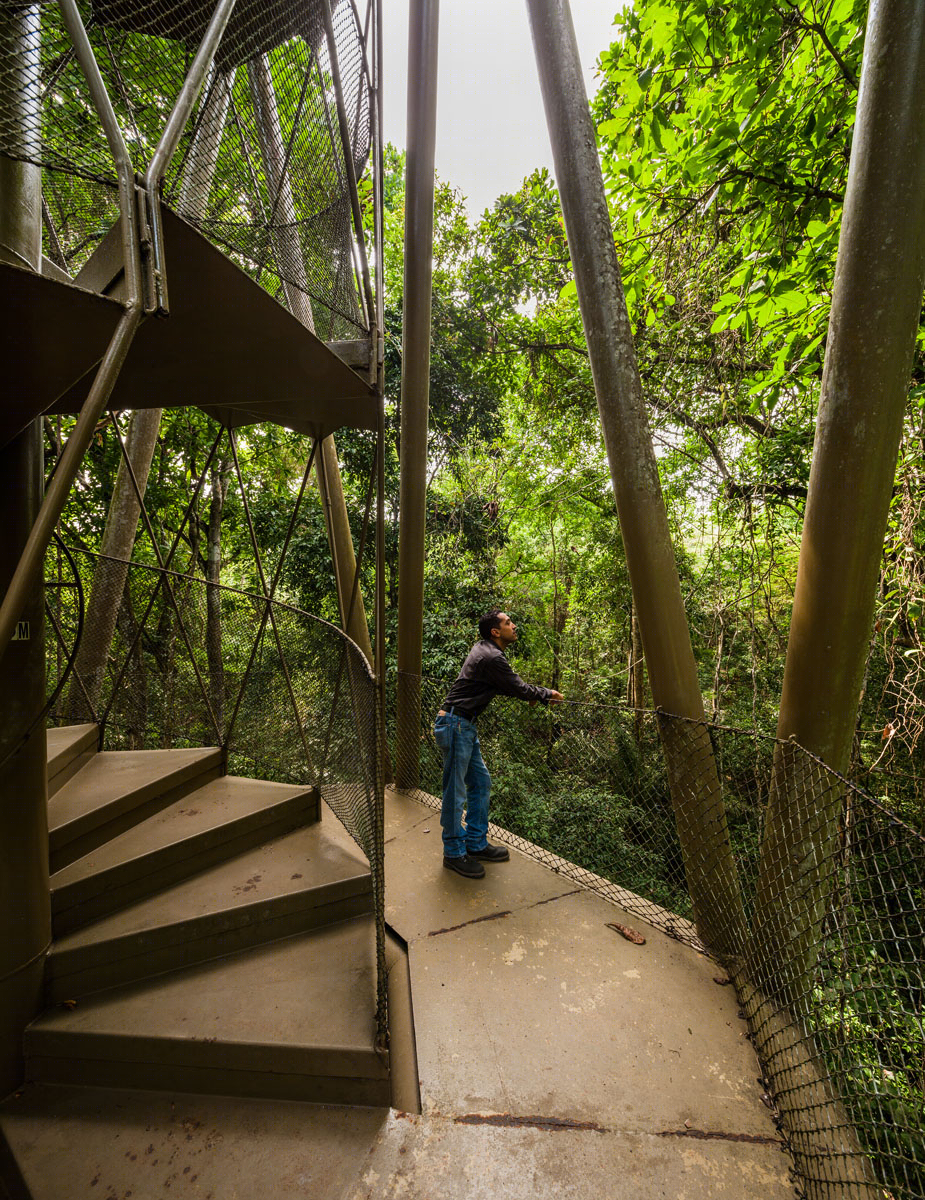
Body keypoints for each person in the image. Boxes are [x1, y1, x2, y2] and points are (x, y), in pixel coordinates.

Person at [434, 610, 563, 878]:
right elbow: (515, 685)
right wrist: (545, 694)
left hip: (463, 725)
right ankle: (454, 853)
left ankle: (475, 843)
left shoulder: (485, 651)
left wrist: (527, 693)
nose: (514, 626)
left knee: (480, 782)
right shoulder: (491, 656)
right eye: (508, 623)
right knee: (455, 792)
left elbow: (503, 684)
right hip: (457, 725)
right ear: (495, 631)